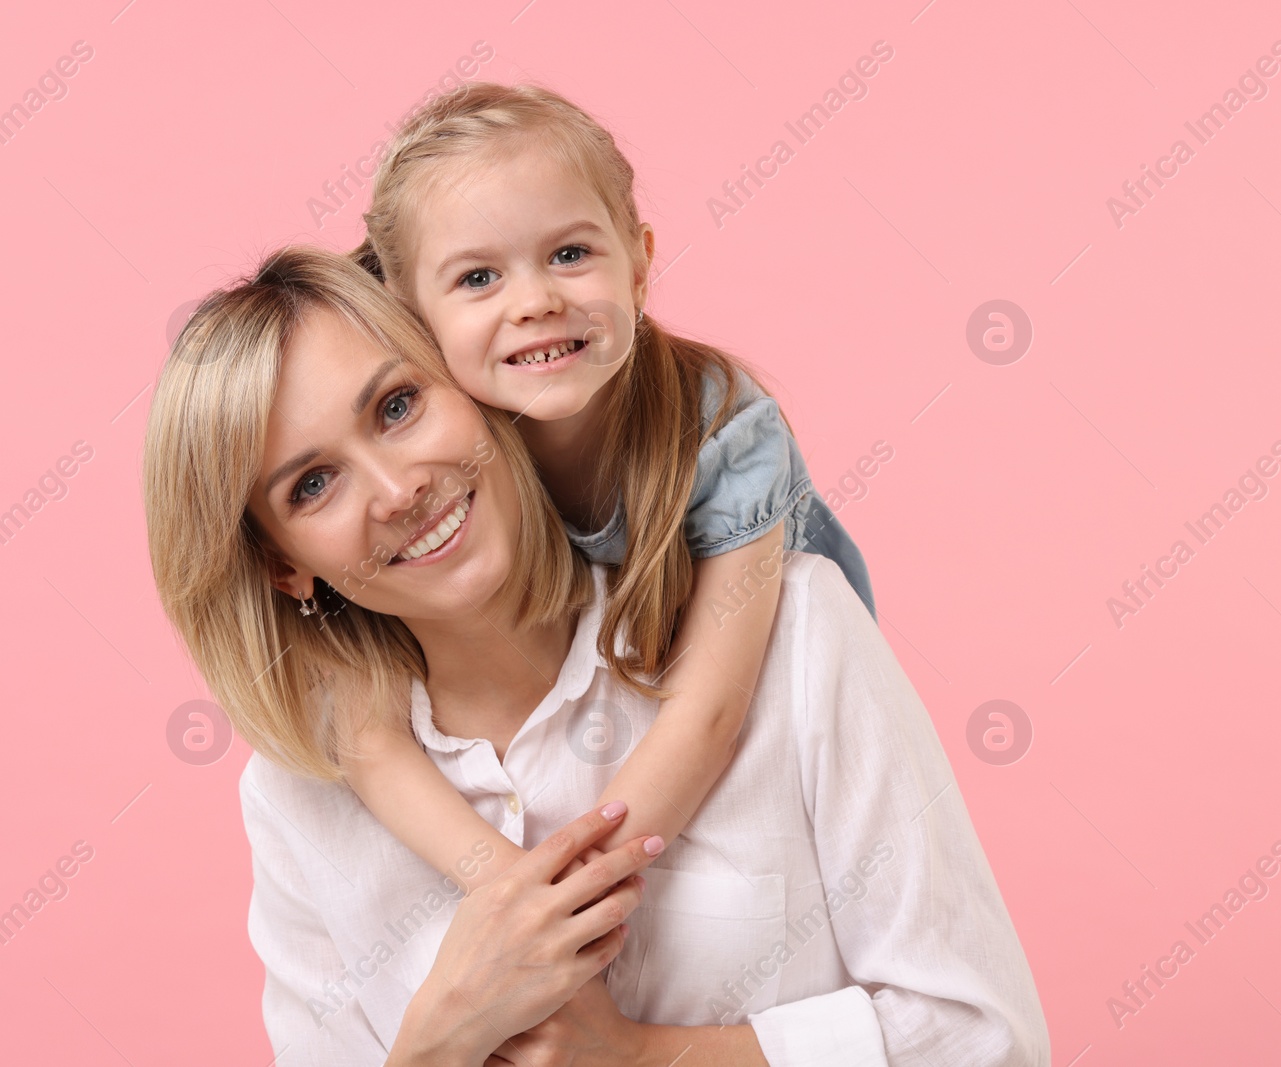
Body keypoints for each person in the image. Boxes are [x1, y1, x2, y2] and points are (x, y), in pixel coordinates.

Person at [143, 246, 1049, 1064]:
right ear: (283, 564)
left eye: (398, 405)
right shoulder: (300, 799)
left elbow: (987, 1040)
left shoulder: (795, 630)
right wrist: (439, 1037)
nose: (397, 489)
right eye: (313, 484)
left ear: (471, 383)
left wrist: (639, 1058)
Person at [333, 79, 878, 899]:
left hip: (773, 701)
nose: (537, 301)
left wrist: (574, 894)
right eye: (478, 278)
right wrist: (506, 886)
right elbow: (365, 735)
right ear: (415, 318)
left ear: (639, 267)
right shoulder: (462, 444)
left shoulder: (723, 428)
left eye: (569, 254)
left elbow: (710, 714)